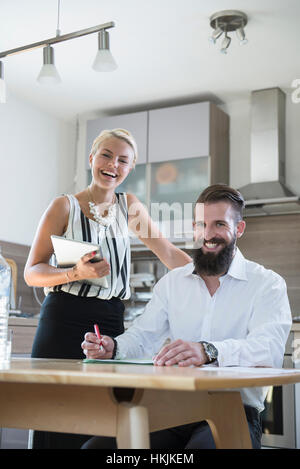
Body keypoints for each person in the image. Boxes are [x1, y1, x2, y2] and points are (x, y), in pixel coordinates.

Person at [81, 184, 292, 449]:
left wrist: (208, 351)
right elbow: (143, 336)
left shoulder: (267, 284)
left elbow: (269, 351)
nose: (208, 234)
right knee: (97, 449)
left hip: (234, 410)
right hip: (172, 410)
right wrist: (114, 347)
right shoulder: (172, 283)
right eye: (201, 224)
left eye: (219, 224)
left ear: (239, 229)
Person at [24, 128, 191, 449]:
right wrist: (76, 272)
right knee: (53, 417)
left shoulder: (130, 206)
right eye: (106, 155)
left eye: (123, 160)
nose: (113, 164)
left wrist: (209, 275)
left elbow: (168, 253)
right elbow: (32, 271)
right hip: (62, 322)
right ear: (91, 158)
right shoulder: (63, 207)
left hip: (110, 324)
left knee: (107, 418)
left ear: (130, 169)